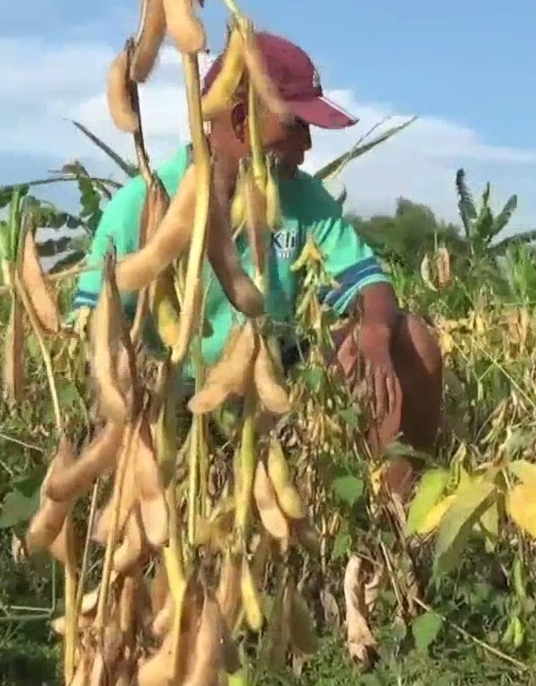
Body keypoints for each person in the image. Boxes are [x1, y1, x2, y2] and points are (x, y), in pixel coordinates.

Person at [70, 30, 445, 499]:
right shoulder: (141, 205)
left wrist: (374, 330)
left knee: (408, 339)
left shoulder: (302, 197)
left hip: (280, 387)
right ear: (244, 117)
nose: (307, 145)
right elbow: (95, 327)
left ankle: (394, 517)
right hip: (174, 398)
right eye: (296, 126)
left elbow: (369, 284)